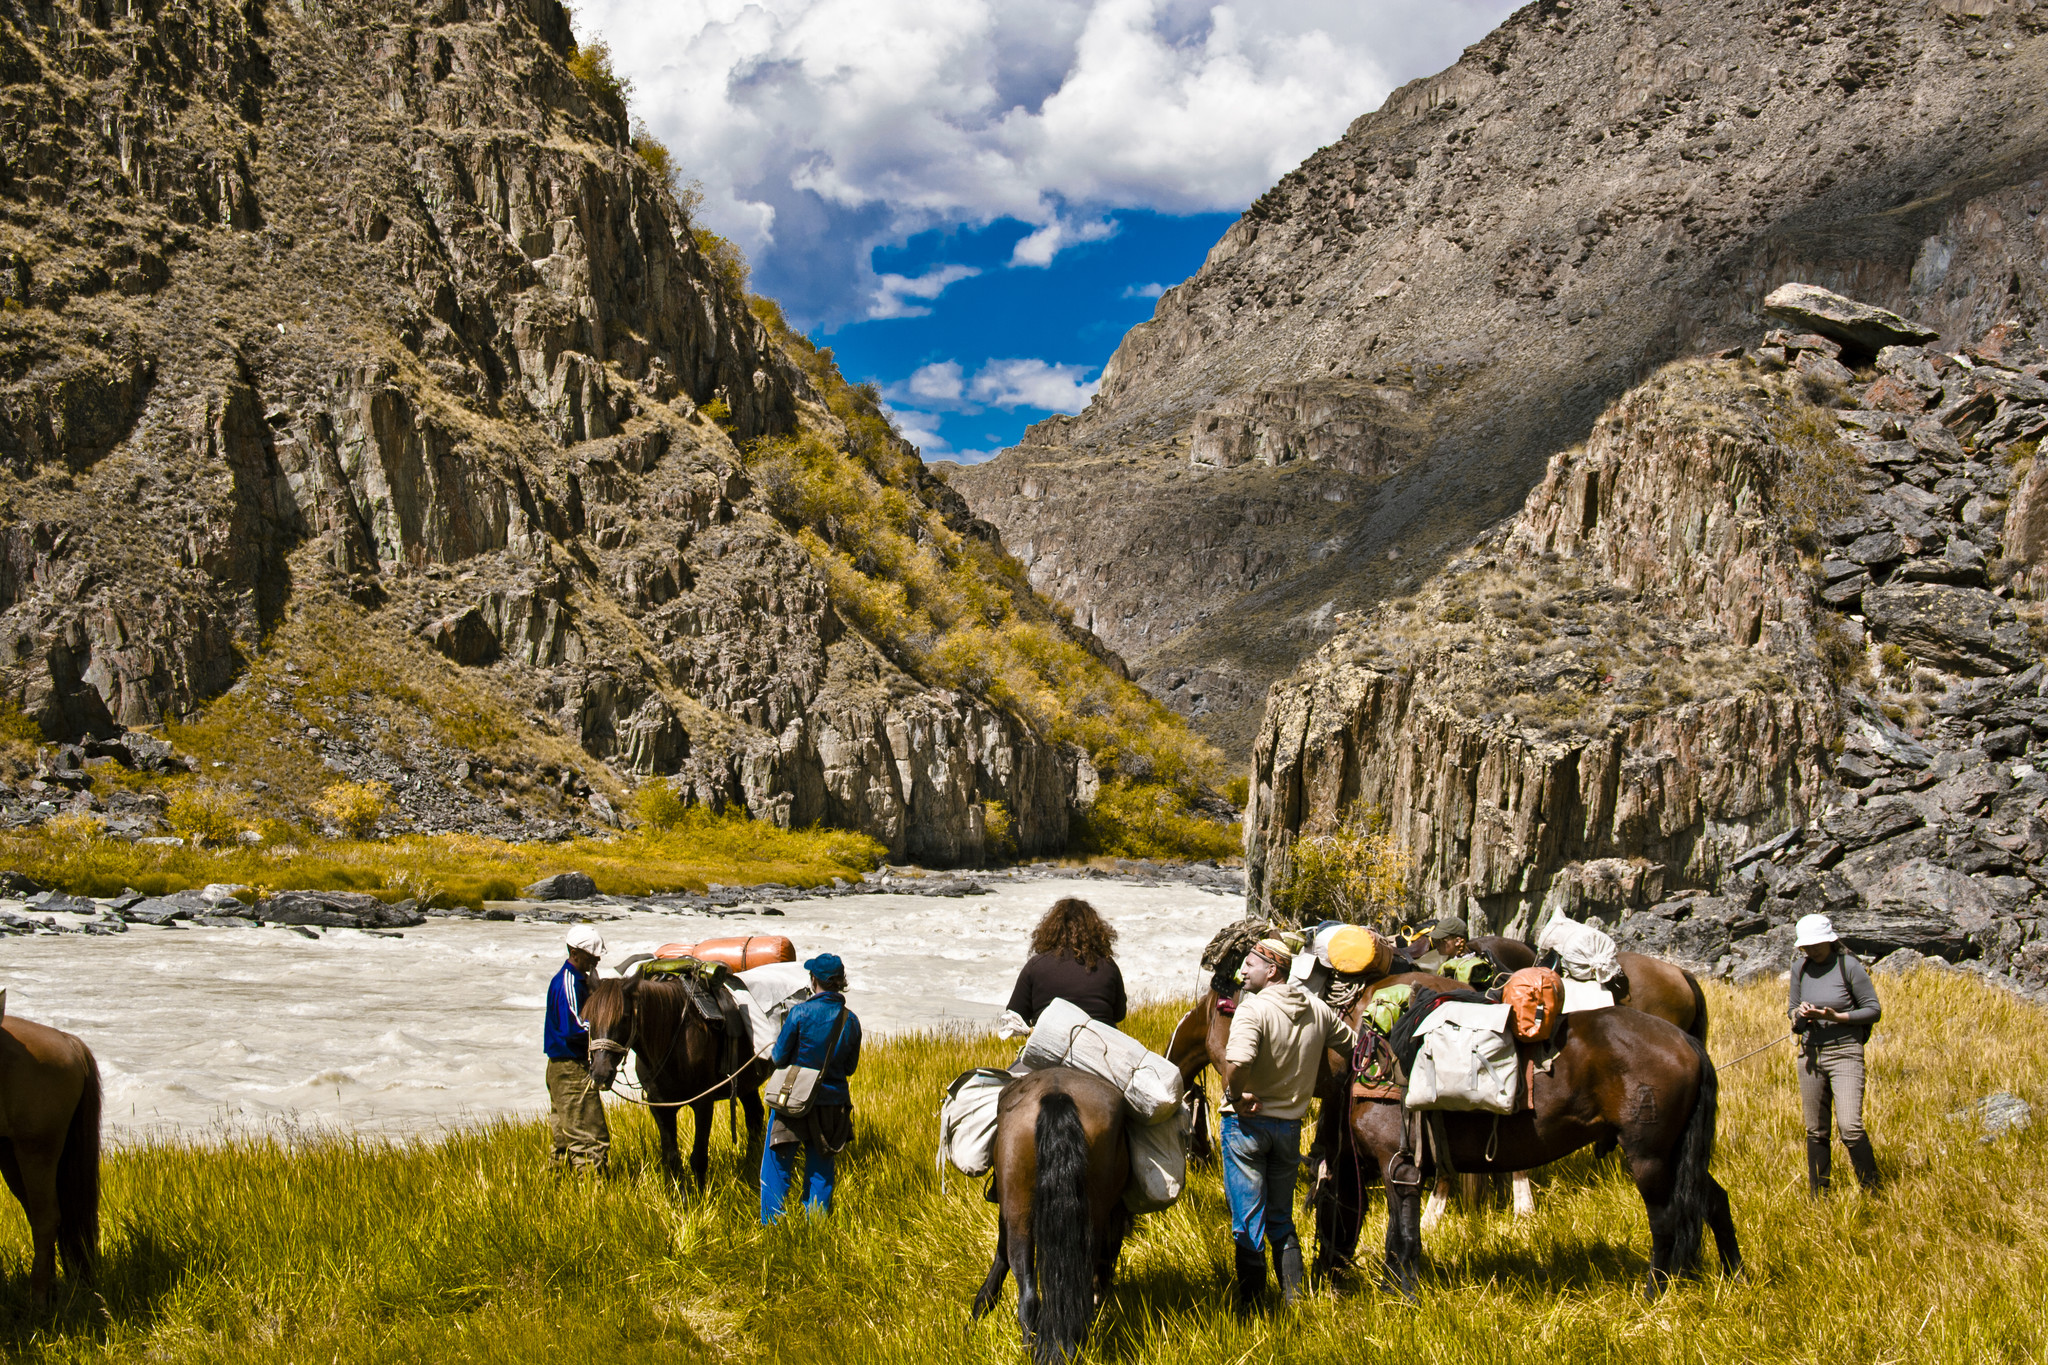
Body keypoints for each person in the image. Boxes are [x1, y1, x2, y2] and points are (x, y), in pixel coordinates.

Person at [1220, 938, 1356, 1311]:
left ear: (1273, 969)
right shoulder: (1319, 1010)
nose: (1242, 971)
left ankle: (1251, 1310)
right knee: (1281, 1216)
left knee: (1247, 1222)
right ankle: (1295, 1303)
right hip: (1290, 1129)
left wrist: (1236, 1096)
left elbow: (1238, 1064)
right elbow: (1355, 1047)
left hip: (1245, 1127)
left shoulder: (1252, 1009)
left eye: (1250, 964)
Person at [761, 952, 863, 1223]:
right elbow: (850, 1068)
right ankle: (815, 1230)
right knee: (820, 1170)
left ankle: (773, 1226)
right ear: (840, 983)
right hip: (832, 1105)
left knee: (776, 1165)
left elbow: (779, 1057)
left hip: (792, 1102)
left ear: (814, 980)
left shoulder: (800, 1012)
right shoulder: (850, 1021)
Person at [1788, 913, 1882, 1194]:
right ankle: (1820, 1195)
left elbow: (1873, 1010)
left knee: (1850, 1127)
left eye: (1817, 945)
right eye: (1807, 946)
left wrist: (1836, 1016)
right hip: (1810, 1055)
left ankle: (1872, 1190)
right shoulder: (1799, 968)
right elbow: (1792, 1010)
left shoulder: (1849, 966)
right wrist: (1800, 1014)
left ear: (1831, 941)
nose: (1812, 950)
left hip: (1845, 1053)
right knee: (1816, 1130)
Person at [544, 924, 610, 1172]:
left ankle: (558, 1191)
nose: (597, 959)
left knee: (564, 1141)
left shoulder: (578, 980)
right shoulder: (569, 982)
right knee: (590, 1138)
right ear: (575, 953)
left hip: (562, 1067)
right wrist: (606, 1031)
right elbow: (574, 1027)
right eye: (591, 956)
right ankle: (593, 1196)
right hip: (571, 1069)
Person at [1005, 897, 1127, 1025]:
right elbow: (1119, 1014)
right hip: (1100, 1041)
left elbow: (1015, 1014)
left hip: (1048, 1042)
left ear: (1050, 930)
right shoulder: (1108, 965)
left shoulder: (1036, 965)